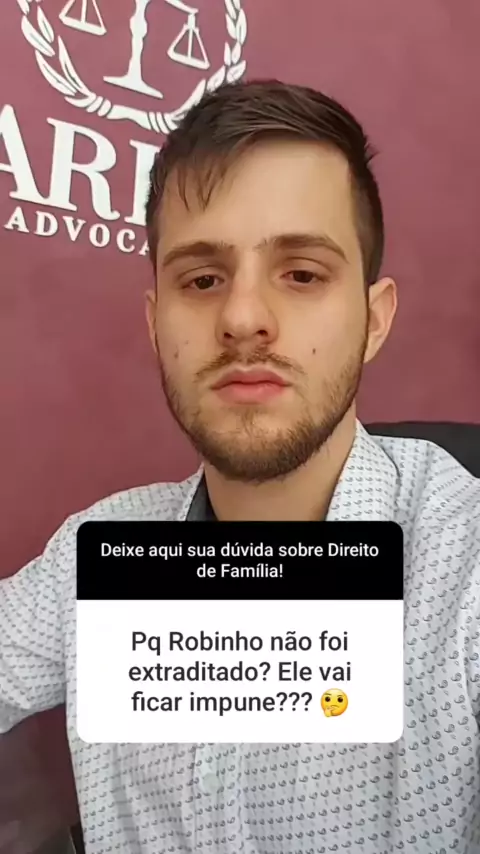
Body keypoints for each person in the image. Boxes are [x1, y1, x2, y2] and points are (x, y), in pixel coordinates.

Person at [1, 79, 479, 854]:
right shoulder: (93, 555)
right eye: (202, 280)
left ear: (374, 319)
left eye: (302, 273)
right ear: (157, 324)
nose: (243, 318)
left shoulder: (465, 574)